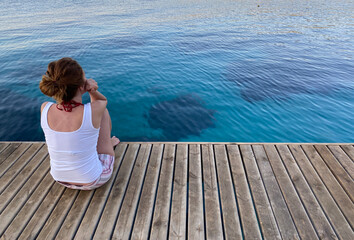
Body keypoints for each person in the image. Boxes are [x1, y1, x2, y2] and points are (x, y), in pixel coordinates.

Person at [39, 57, 119, 190]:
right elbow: (101, 102)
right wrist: (91, 90)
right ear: (82, 86)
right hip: (93, 180)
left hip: (59, 178)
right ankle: (108, 146)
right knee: (102, 112)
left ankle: (103, 147)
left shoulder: (45, 108)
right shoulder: (93, 110)